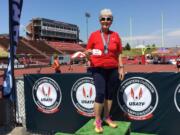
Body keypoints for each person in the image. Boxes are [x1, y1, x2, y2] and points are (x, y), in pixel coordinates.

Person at [84, 8, 125, 133]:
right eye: (103, 18)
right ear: (99, 20)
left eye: (108, 19)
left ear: (111, 21)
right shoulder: (93, 35)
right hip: (98, 69)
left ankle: (107, 117)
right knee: (100, 94)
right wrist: (87, 54)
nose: (105, 21)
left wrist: (121, 68)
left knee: (109, 95)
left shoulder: (116, 35)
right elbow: (87, 53)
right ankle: (97, 120)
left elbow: (118, 53)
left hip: (112, 69)